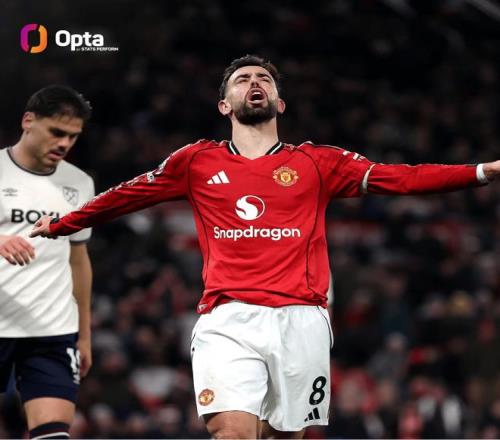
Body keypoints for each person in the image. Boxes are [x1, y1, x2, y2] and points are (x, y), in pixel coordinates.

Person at [31, 55, 500, 439]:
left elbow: (401, 178)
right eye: (242, 79)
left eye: (263, 79)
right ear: (224, 105)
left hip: (302, 320)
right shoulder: (196, 162)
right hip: (227, 318)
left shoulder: (317, 163)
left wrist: (484, 171)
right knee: (232, 432)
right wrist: (64, 223)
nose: (254, 83)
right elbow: (127, 195)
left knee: (284, 435)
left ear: (279, 102)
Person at [1, 85, 95, 439]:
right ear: (28, 121)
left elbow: (78, 261)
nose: (64, 143)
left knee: (54, 434)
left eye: (73, 136)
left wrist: (84, 335)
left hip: (51, 330)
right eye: (57, 132)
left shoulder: (79, 183)